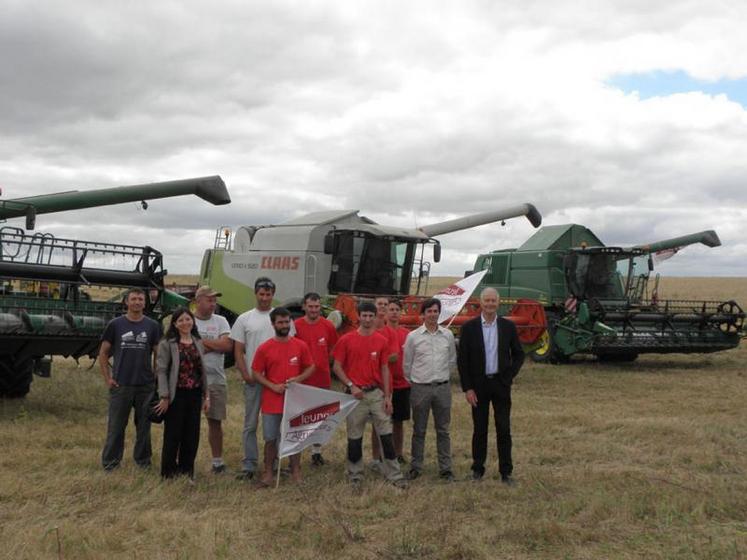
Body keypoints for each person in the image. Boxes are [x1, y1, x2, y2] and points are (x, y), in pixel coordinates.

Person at [332, 300, 406, 488]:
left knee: (386, 435)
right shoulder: (346, 340)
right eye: (363, 315)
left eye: (370, 316)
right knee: (355, 437)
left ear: (375, 317)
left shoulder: (381, 341)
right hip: (355, 395)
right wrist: (351, 385)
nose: (367, 319)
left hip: (376, 394)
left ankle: (394, 475)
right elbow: (337, 366)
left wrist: (388, 396)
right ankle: (355, 475)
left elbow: (385, 369)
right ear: (358, 316)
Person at [457, 287, 525, 484]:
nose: (489, 304)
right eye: (486, 301)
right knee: (480, 429)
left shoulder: (507, 327)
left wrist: (509, 375)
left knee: (503, 428)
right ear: (480, 303)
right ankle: (477, 469)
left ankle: (506, 472)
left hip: (500, 385)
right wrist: (468, 388)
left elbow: (519, 354)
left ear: (498, 302)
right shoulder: (469, 328)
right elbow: (463, 361)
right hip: (478, 387)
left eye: (493, 301)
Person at [99, 288, 161, 471]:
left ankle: (143, 462)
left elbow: (159, 353)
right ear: (126, 302)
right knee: (116, 427)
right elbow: (103, 353)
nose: (137, 302)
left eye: (140, 299)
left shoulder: (152, 326)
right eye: (133, 299)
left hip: (145, 385)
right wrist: (107, 379)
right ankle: (110, 463)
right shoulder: (115, 325)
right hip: (121, 384)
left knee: (144, 427)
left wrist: (156, 375)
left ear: (145, 303)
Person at [251, 307, 314, 485]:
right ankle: (268, 472)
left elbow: (311, 367)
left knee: (294, 437)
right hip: (272, 401)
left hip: (294, 401)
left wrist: (298, 379)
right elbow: (256, 372)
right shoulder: (265, 348)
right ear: (273, 324)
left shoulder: (300, 345)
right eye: (280, 322)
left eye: (287, 322)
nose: (284, 325)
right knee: (270, 438)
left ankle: (296, 471)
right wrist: (272, 386)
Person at [230, 277, 284, 480]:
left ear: (273, 295)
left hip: (275, 383)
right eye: (261, 294)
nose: (265, 298)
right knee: (250, 424)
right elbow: (238, 350)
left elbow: (288, 345)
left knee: (275, 425)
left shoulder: (281, 318)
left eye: (268, 294)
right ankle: (249, 464)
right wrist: (245, 373)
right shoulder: (244, 319)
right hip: (253, 381)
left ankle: (274, 463)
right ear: (255, 294)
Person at [403, 298, 457, 481]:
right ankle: (416, 467)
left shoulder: (447, 335)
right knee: (419, 430)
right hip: (420, 388)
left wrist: (442, 377)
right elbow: (407, 365)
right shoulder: (413, 337)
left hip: (442, 388)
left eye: (435, 311)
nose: (433, 314)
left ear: (439, 313)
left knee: (443, 430)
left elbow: (451, 361)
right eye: (429, 311)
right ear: (423, 314)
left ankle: (446, 468)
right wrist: (417, 382)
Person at [154, 307, 210, 479]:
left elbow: (202, 371)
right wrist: (164, 396)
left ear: (192, 321)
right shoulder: (167, 344)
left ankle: (187, 471)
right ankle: (168, 473)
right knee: (173, 434)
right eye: (181, 320)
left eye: (188, 319)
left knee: (191, 435)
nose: (185, 323)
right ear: (175, 324)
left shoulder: (198, 342)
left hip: (194, 394)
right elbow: (161, 370)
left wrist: (206, 396)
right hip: (175, 394)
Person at [293, 292, 338, 466]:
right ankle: (295, 452)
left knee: (319, 417)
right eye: (310, 306)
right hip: (301, 380)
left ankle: (316, 452)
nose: (314, 310)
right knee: (300, 417)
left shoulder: (328, 326)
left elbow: (333, 350)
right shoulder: (295, 326)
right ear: (304, 306)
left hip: (322, 379)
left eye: (317, 306)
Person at [193, 285, 233, 474]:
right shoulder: (188, 320)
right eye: (209, 300)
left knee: (215, 421)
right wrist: (210, 345)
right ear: (198, 301)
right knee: (188, 422)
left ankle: (217, 462)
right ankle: (185, 460)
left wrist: (199, 343)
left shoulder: (221, 321)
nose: (213, 304)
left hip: (215, 379)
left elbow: (226, 345)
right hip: (190, 379)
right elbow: (183, 348)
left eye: (214, 300)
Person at [369, 296, 399, 470]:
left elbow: (394, 356)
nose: (382, 307)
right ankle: (374, 459)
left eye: (385, 305)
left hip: (384, 385)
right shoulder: (366, 328)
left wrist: (375, 358)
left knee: (382, 424)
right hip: (366, 385)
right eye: (379, 304)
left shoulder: (390, 332)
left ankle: (384, 459)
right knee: (366, 425)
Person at [386, 299, 411, 463]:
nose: (394, 312)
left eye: (397, 309)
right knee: (382, 423)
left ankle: (398, 453)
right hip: (385, 385)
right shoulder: (381, 332)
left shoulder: (407, 334)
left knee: (398, 422)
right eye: (391, 309)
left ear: (401, 313)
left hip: (403, 384)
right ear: (386, 312)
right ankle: (383, 454)